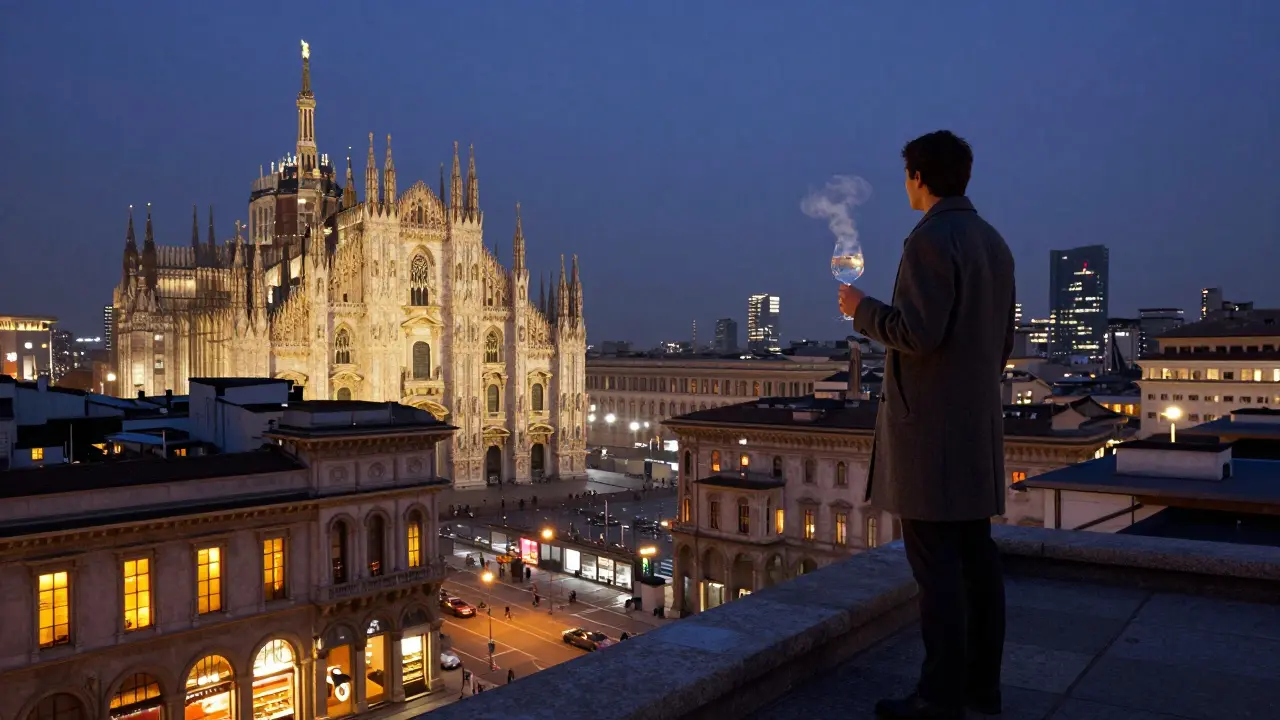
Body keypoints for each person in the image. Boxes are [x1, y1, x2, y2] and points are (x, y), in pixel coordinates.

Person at [838, 130, 1013, 720]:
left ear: (918, 177)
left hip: (930, 436)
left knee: (936, 573)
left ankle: (938, 698)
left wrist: (860, 311)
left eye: (906, 174)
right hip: (975, 428)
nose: (904, 184)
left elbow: (916, 332)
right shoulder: (993, 242)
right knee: (977, 563)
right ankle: (981, 690)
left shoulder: (931, 239)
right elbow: (1001, 346)